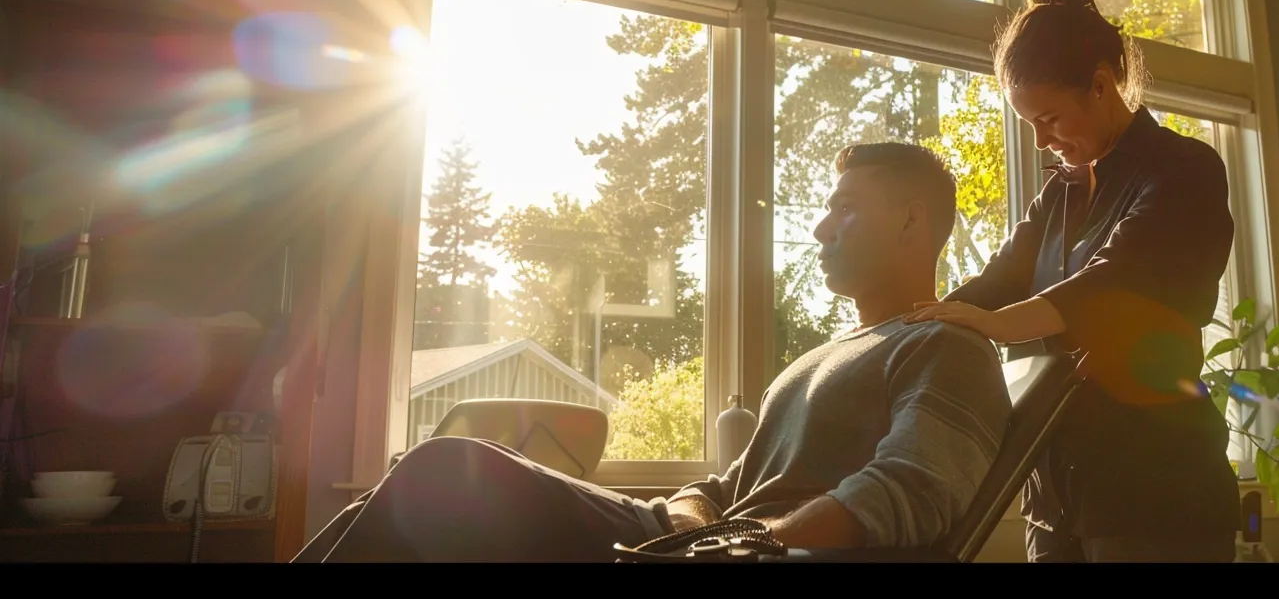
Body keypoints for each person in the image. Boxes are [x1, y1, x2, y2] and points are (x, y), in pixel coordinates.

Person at [293, 143, 1012, 562]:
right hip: (687, 540)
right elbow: (731, 483)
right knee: (407, 478)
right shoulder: (825, 357)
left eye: (846, 207)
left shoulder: (948, 345)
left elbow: (910, 489)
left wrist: (742, 546)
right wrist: (693, 511)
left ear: (913, 222)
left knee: (445, 473)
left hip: (737, 558)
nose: (821, 227)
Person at [904, 0, 1239, 563]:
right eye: (1029, 124)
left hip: (1157, 488)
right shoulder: (1057, 192)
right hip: (1054, 490)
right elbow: (999, 280)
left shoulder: (1183, 169)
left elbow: (1117, 279)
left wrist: (1002, 325)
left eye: (1050, 118)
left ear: (1103, 84)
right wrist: (921, 320)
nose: (1040, 141)